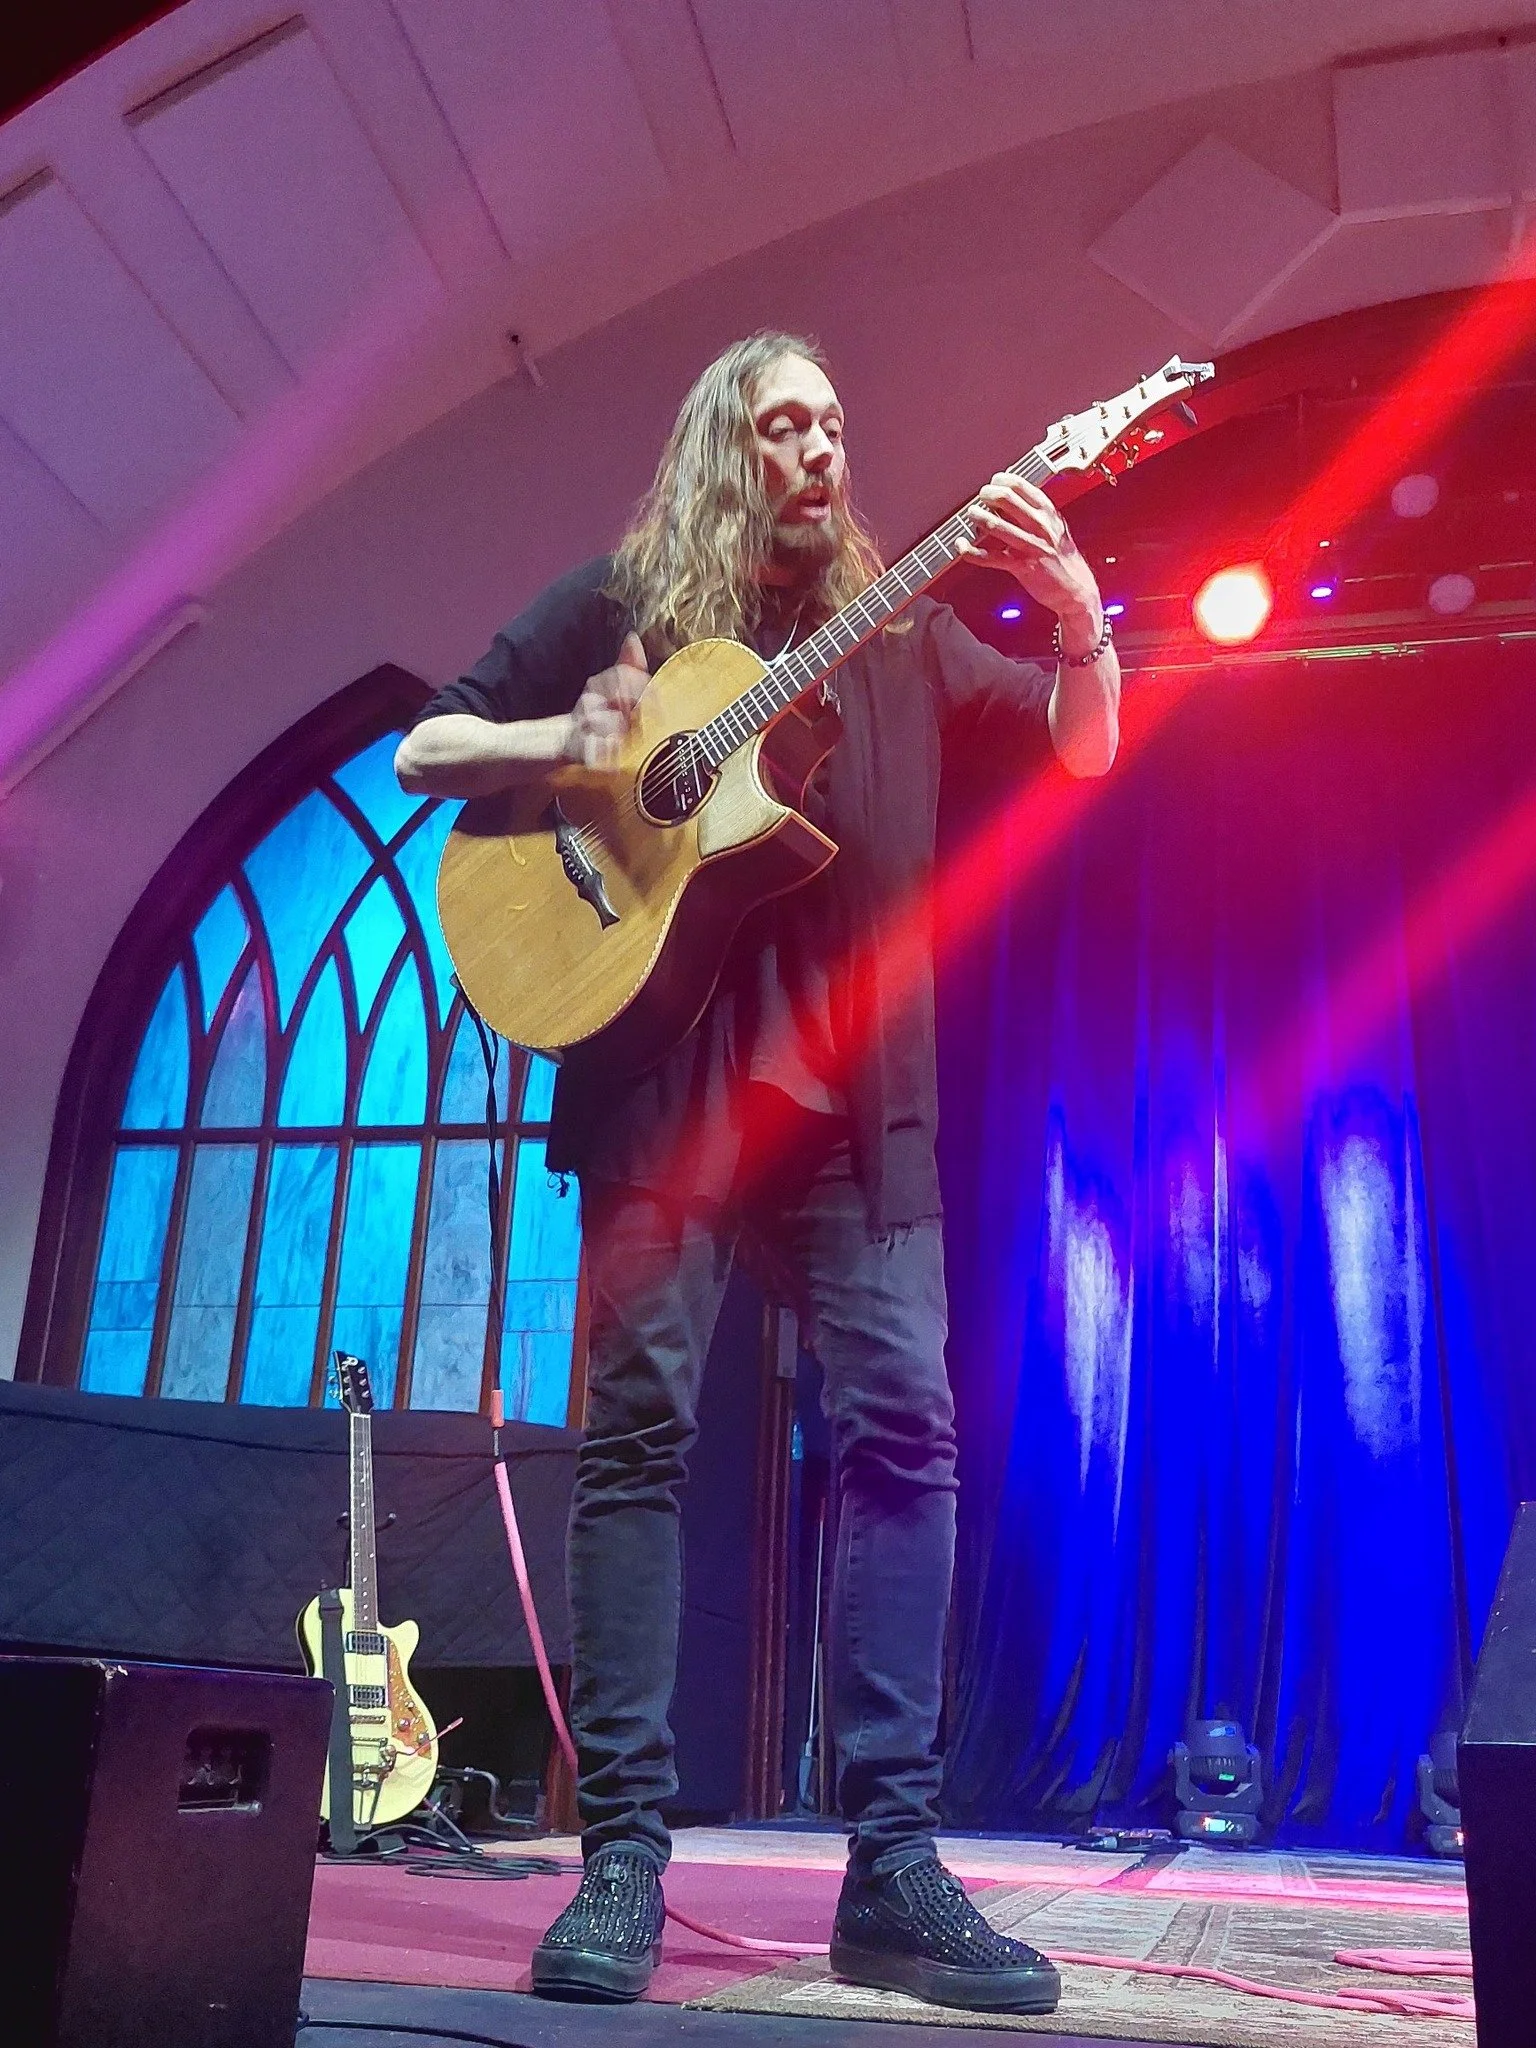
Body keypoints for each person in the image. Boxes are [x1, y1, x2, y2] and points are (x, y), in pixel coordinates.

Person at [395, 331, 1119, 2012]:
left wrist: (1082, 614)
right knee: (638, 1443)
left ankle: (896, 1863)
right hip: (661, 1083)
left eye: (837, 424)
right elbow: (430, 751)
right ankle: (626, 1858)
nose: (818, 449)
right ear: (726, 443)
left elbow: (1086, 750)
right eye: (784, 422)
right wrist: (571, 742)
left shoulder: (908, 642)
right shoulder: (620, 602)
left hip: (860, 1109)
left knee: (906, 1437)